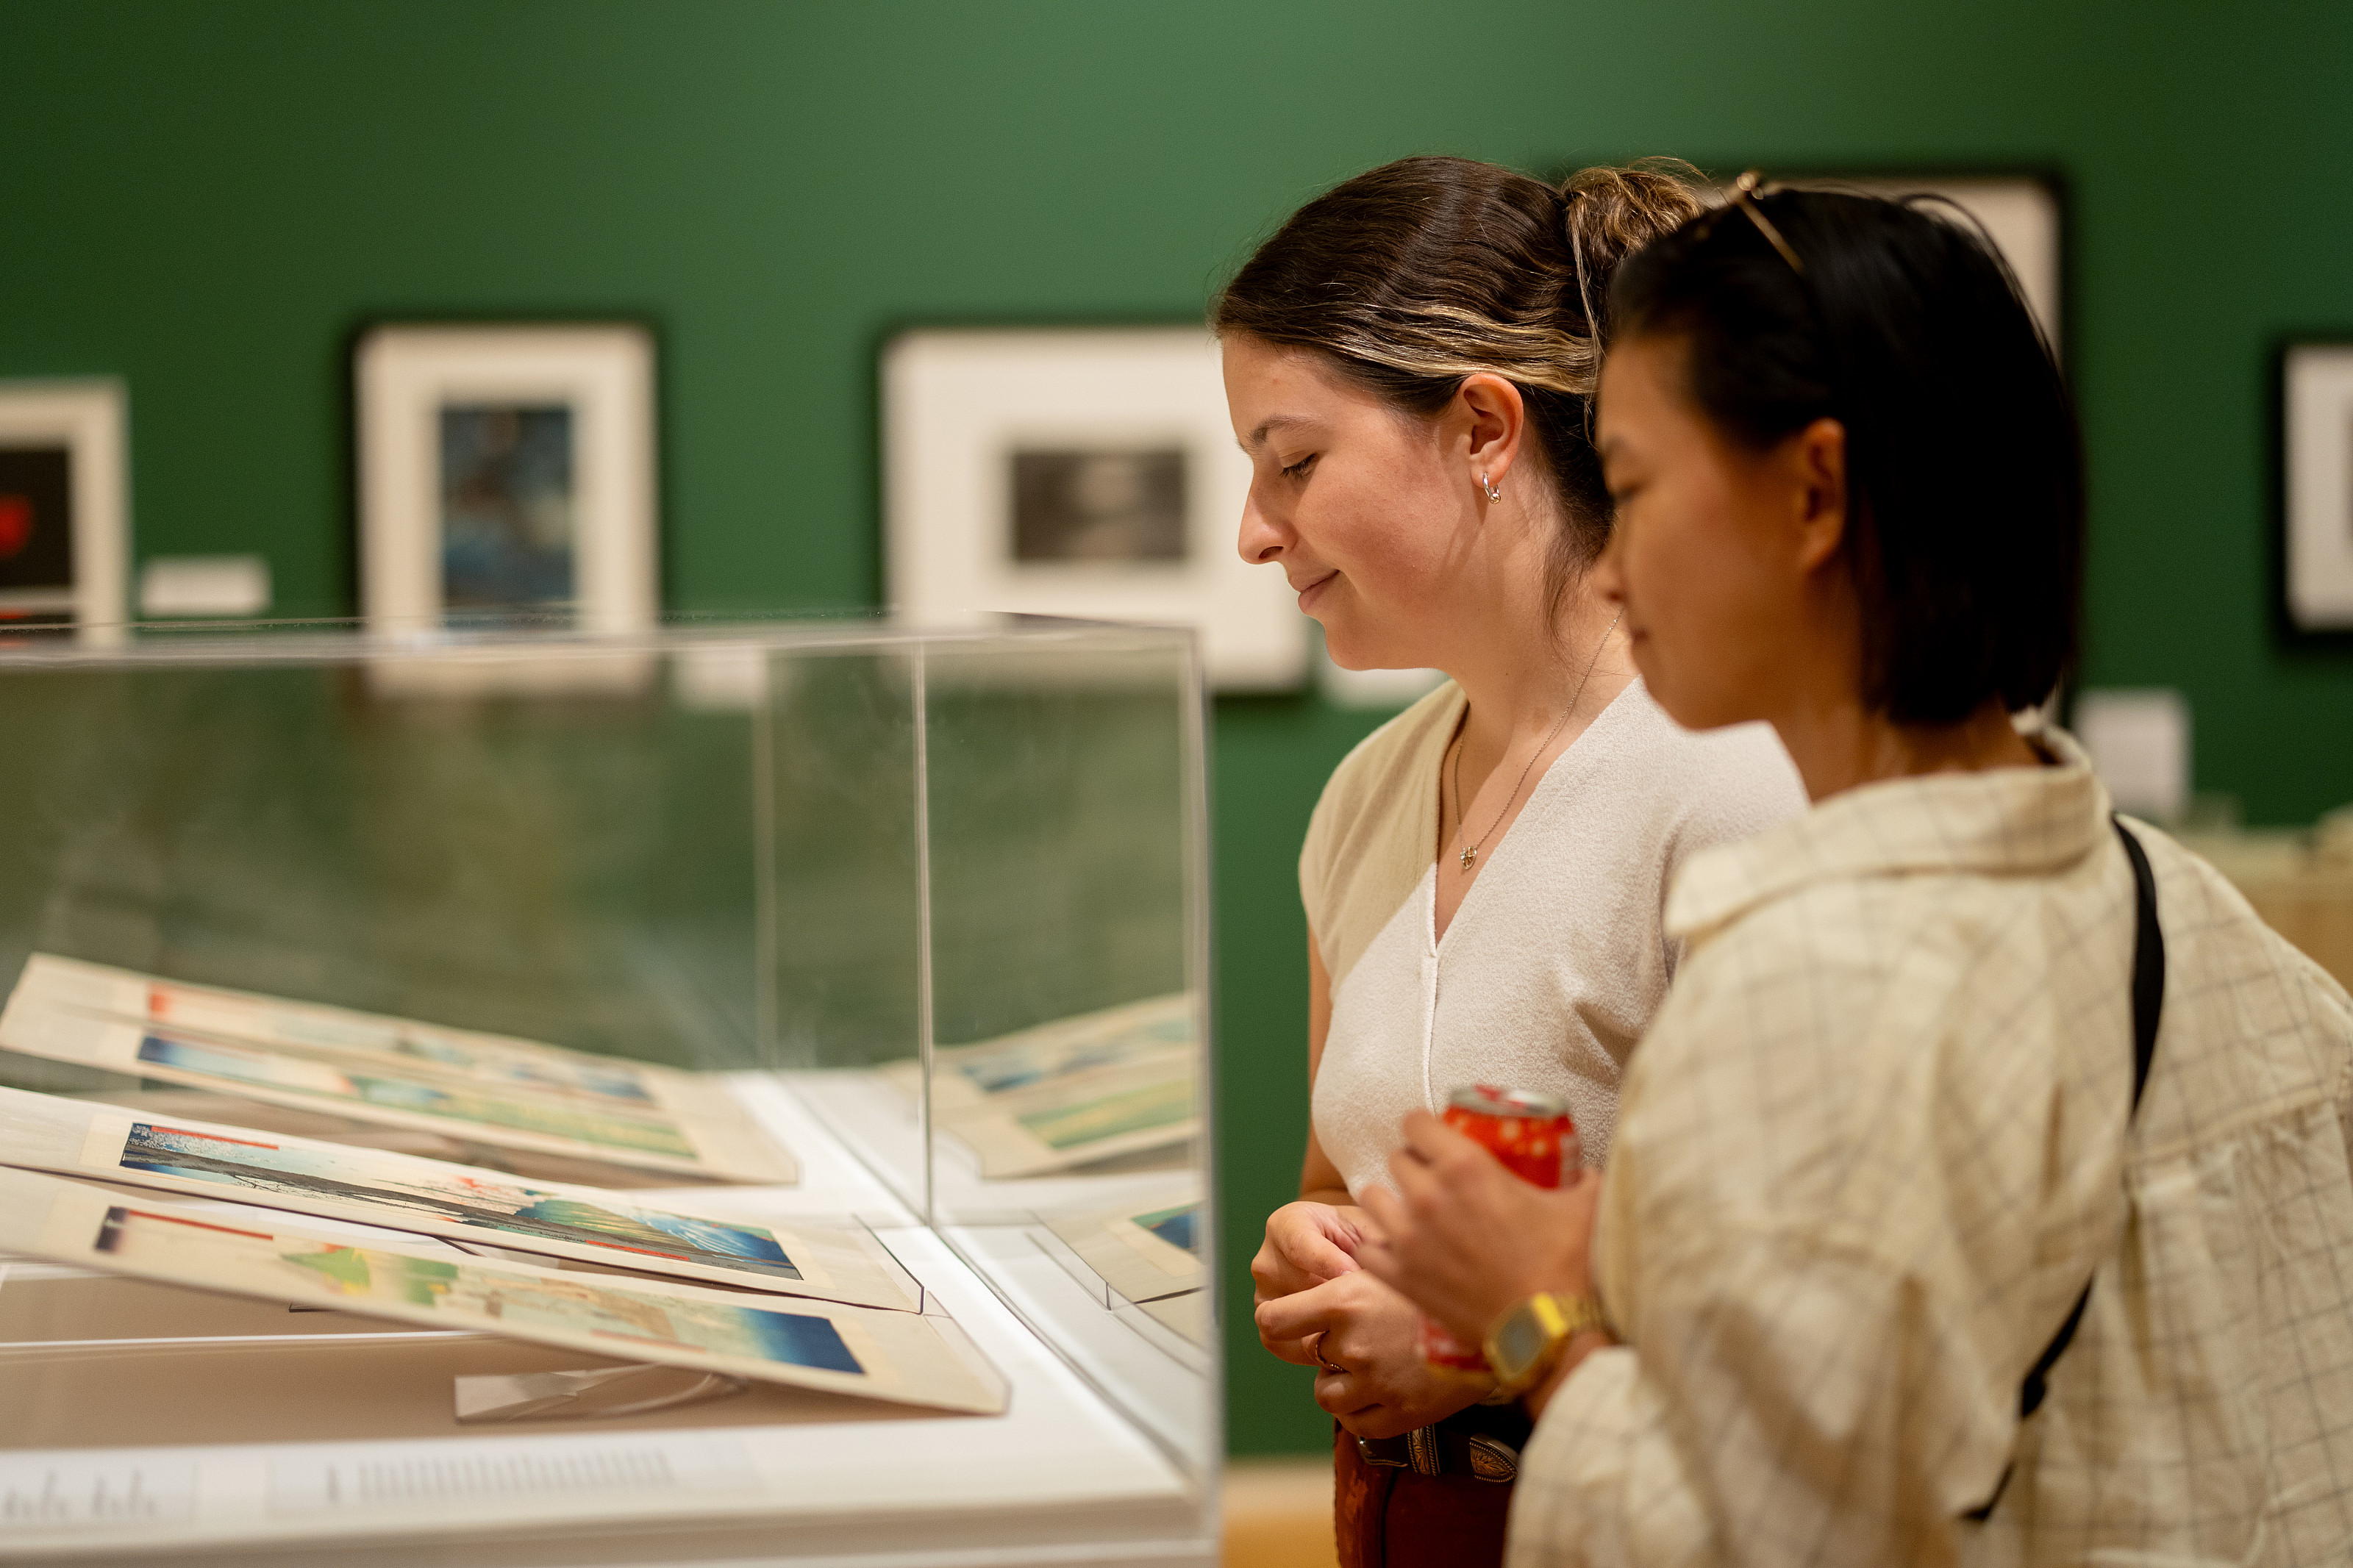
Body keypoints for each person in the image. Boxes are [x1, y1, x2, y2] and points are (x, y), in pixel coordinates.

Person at [1358, 180, 2353, 1565]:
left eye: (1633, 489)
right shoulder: (2230, 945)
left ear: (1813, 495)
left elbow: (1737, 1542)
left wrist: (1530, 1309)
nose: (1613, 564)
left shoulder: (1801, 990)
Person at [1218, 157, 1807, 1568]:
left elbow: (1809, 1285)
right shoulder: (1364, 797)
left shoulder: (1735, 779)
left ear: (1484, 428)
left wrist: (1483, 1340)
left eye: (1295, 463)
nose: (1253, 532)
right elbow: (1342, 1175)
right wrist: (1312, 1241)